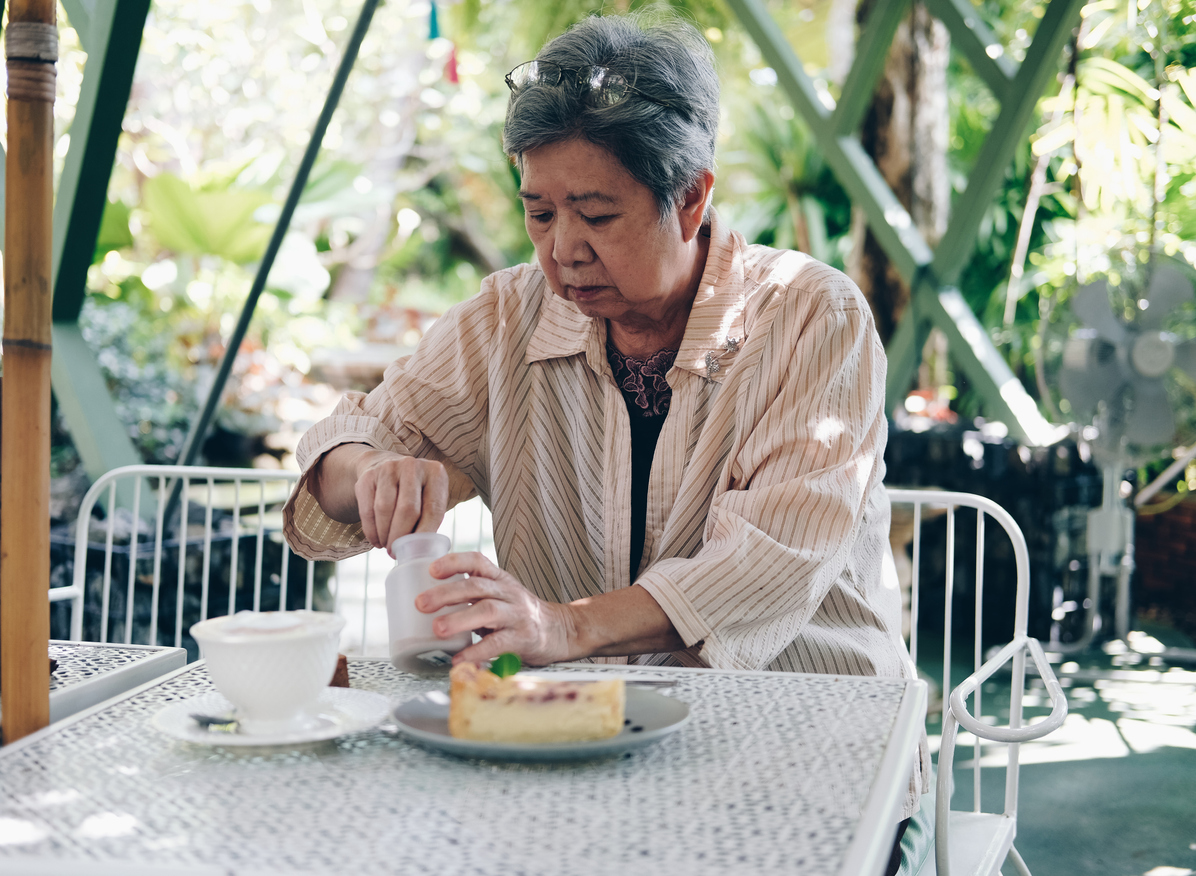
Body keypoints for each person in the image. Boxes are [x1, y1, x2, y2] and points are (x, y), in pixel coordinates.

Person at [282, 14, 925, 871]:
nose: (562, 251)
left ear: (691, 198)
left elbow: (767, 561)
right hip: (573, 749)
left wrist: (558, 626)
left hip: (808, 743)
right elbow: (345, 452)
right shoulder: (507, 318)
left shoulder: (811, 315)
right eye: (538, 213)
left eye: (595, 213)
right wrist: (369, 470)